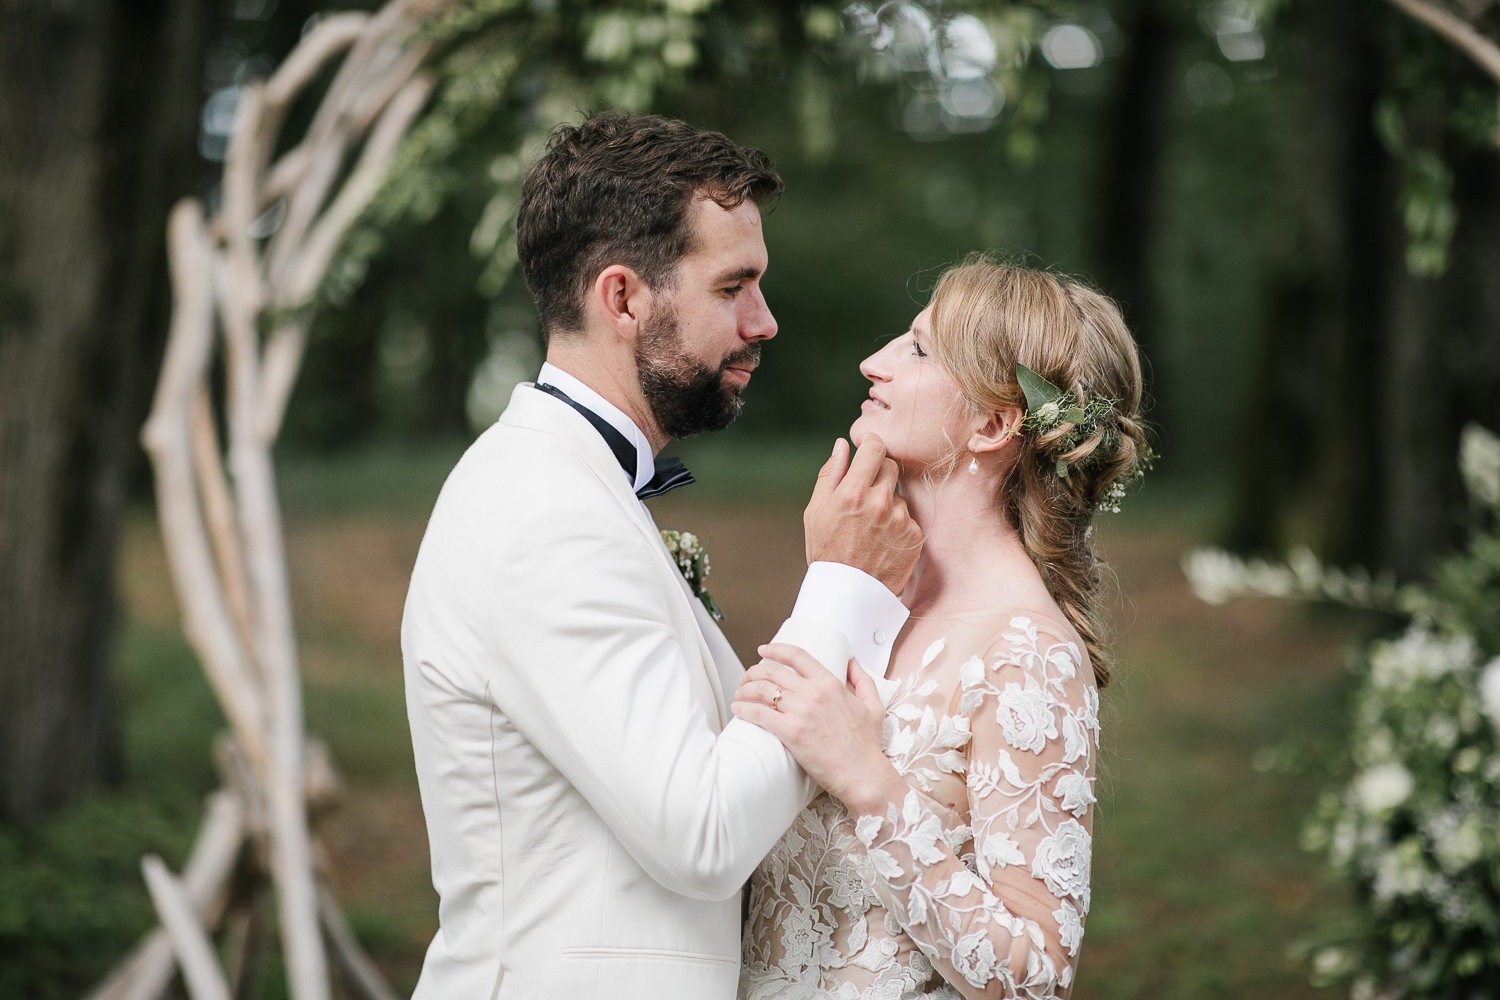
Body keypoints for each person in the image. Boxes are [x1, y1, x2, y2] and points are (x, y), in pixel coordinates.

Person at [401, 111, 922, 1000]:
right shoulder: (543, 513)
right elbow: (704, 836)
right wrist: (838, 589)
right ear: (623, 297)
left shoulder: (572, 487)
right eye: (733, 288)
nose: (765, 322)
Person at [734, 256, 1150, 999]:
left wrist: (871, 785)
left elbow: (1036, 977)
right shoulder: (867, 599)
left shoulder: (1026, 651)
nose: (874, 362)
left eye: (919, 349)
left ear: (993, 424)